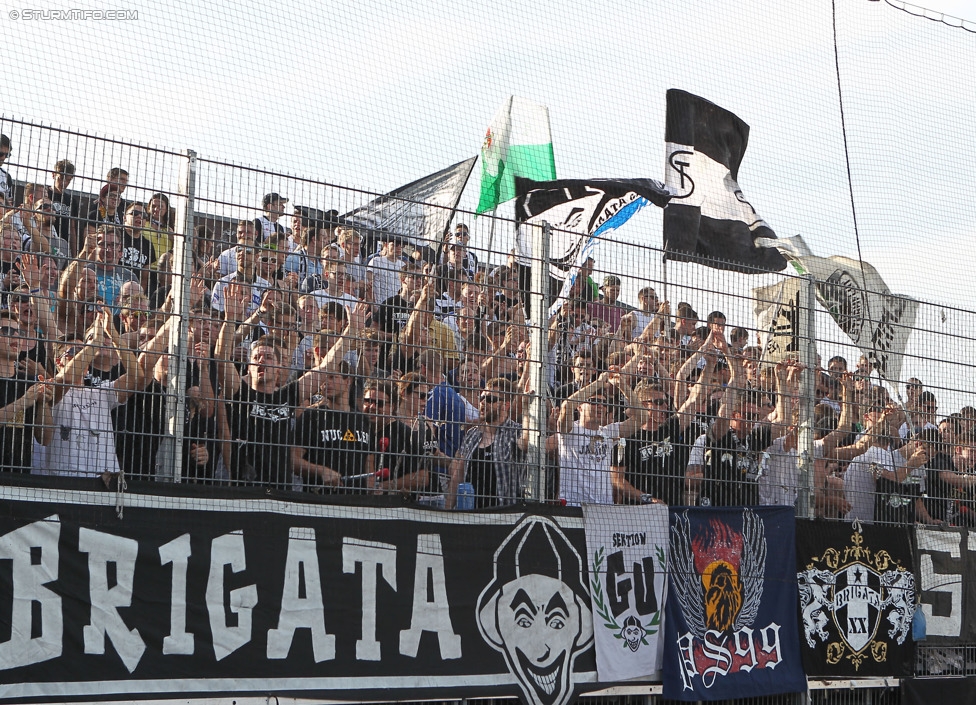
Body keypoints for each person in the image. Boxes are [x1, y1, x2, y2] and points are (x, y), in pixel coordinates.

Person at [215, 282, 364, 487]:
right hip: (246, 487)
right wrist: (229, 319)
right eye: (257, 357)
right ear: (248, 367)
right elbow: (221, 357)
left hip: (281, 489)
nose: (261, 361)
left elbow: (325, 367)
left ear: (279, 368)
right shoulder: (241, 393)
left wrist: (350, 332)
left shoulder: (288, 395)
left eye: (268, 357)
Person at [39, 308, 149, 478]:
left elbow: (137, 377)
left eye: (85, 352)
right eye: (76, 352)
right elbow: (67, 378)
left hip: (103, 482)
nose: (84, 357)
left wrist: (113, 334)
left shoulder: (102, 393)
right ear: (59, 362)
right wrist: (94, 343)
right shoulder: (52, 388)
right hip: (65, 482)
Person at [557, 367, 647, 506]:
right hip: (573, 507)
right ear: (580, 407)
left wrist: (622, 386)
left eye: (603, 403)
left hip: (603, 510)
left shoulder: (608, 432)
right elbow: (566, 406)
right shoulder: (570, 430)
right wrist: (598, 383)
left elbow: (642, 417)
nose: (600, 406)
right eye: (593, 402)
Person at [447, 377, 530, 508]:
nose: (483, 402)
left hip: (504, 517)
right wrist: (447, 513)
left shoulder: (515, 432)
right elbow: (458, 476)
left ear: (506, 405)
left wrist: (526, 408)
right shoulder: (472, 434)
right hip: (471, 516)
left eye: (491, 399)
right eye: (482, 398)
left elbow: (525, 443)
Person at [0, 311, 54, 471]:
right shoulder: (29, 392)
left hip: (20, 475)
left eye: (19, 332)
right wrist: (23, 402)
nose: (16, 336)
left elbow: (45, 439)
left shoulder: (30, 383)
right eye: (7, 331)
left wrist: (43, 403)